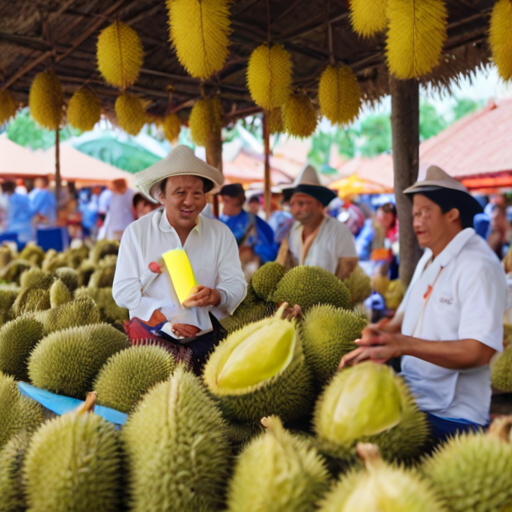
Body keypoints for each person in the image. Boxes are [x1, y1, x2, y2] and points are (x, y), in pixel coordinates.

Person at [340, 165, 507, 444]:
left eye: (424, 212)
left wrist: (402, 344)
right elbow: (397, 322)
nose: (416, 221)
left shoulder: (479, 265)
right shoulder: (428, 260)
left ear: (452, 214)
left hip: (453, 417)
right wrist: (375, 336)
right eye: (414, 214)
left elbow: (478, 351)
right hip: (412, 396)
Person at [112, 145, 246, 373]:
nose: (189, 201)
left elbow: (237, 285)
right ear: (162, 196)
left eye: (197, 194)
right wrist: (161, 315)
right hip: (151, 343)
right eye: (180, 193)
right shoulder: (137, 233)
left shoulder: (220, 233)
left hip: (208, 344)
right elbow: (123, 291)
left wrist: (216, 295)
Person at [281, 164, 358, 279]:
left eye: (302, 203)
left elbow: (350, 276)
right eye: (292, 204)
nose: (297, 209)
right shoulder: (294, 230)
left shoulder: (340, 232)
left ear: (319, 205)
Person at [219, 183, 278, 265]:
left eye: (225, 200)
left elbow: (270, 251)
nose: (223, 204)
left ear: (236, 201)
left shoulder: (253, 220)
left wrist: (252, 250)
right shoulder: (220, 221)